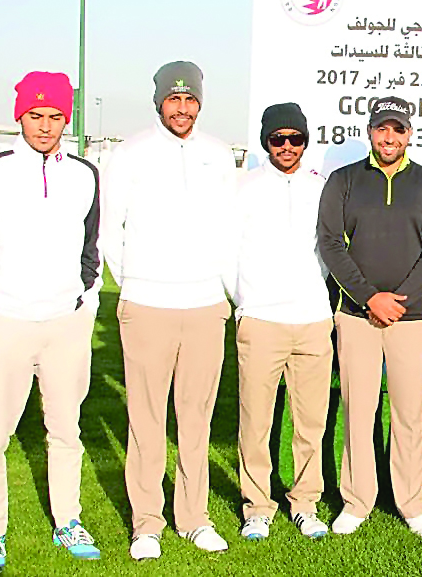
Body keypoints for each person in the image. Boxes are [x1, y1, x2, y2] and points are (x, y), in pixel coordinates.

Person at [0, 72, 102, 574]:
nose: (45, 126)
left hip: (65, 325)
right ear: (20, 116)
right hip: (6, 321)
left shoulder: (85, 174)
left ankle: (68, 520)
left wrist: (85, 302)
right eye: (36, 115)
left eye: (55, 116)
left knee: (66, 430)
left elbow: (91, 249)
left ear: (66, 119)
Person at [101, 61, 237, 559]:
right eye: (173, 99)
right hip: (148, 305)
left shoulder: (218, 155)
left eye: (190, 99)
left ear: (200, 102)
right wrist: (136, 283)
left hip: (203, 305)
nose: (182, 108)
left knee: (196, 418)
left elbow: (228, 228)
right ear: (159, 101)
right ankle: (147, 523)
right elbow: (109, 230)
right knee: (146, 418)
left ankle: (194, 517)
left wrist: (222, 291)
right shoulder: (130, 153)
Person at [317, 96, 422, 537]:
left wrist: (402, 299)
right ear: (370, 132)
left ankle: (412, 503)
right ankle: (357, 501)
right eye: (382, 129)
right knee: (358, 410)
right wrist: (369, 297)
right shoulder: (344, 180)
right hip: (356, 316)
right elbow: (331, 243)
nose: (389, 137)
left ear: (409, 134)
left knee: (409, 414)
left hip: (410, 319)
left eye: (397, 129)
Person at [227, 103, 332, 541]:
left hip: (312, 319)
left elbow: (328, 251)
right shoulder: (244, 188)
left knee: (311, 422)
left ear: (305, 142)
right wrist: (245, 302)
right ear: (266, 142)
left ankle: (305, 503)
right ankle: (257, 507)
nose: (287, 147)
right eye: (278, 139)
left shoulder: (322, 188)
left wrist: (313, 293)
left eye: (295, 139)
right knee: (256, 421)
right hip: (262, 320)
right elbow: (228, 251)